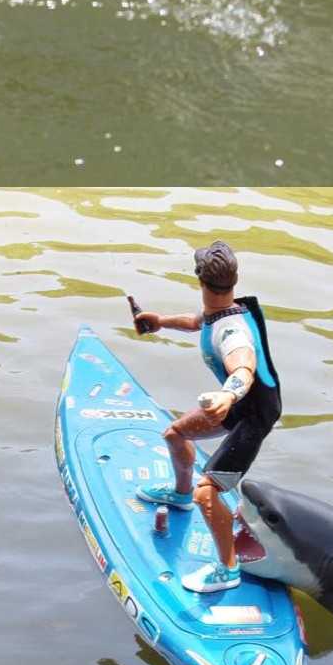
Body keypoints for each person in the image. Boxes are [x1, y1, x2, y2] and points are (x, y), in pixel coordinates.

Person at [132, 241, 282, 593]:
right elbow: (196, 322)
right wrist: (160, 322)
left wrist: (228, 394)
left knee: (208, 494)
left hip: (252, 415)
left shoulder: (232, 332)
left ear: (199, 279)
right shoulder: (222, 310)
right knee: (175, 435)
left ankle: (227, 569)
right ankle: (179, 494)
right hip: (235, 403)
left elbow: (243, 365)